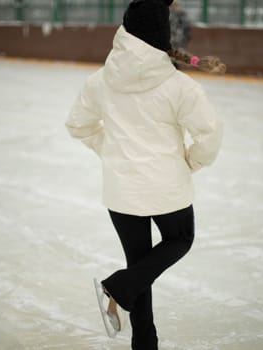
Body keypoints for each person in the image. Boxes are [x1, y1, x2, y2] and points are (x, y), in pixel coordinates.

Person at [65, 0, 224, 348]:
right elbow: (209, 135)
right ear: (161, 37)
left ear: (124, 33)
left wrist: (108, 149)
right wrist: (190, 163)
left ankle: (144, 340)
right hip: (168, 189)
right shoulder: (180, 86)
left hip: (121, 193)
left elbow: (78, 124)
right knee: (178, 240)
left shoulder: (100, 81)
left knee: (139, 265)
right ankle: (121, 288)